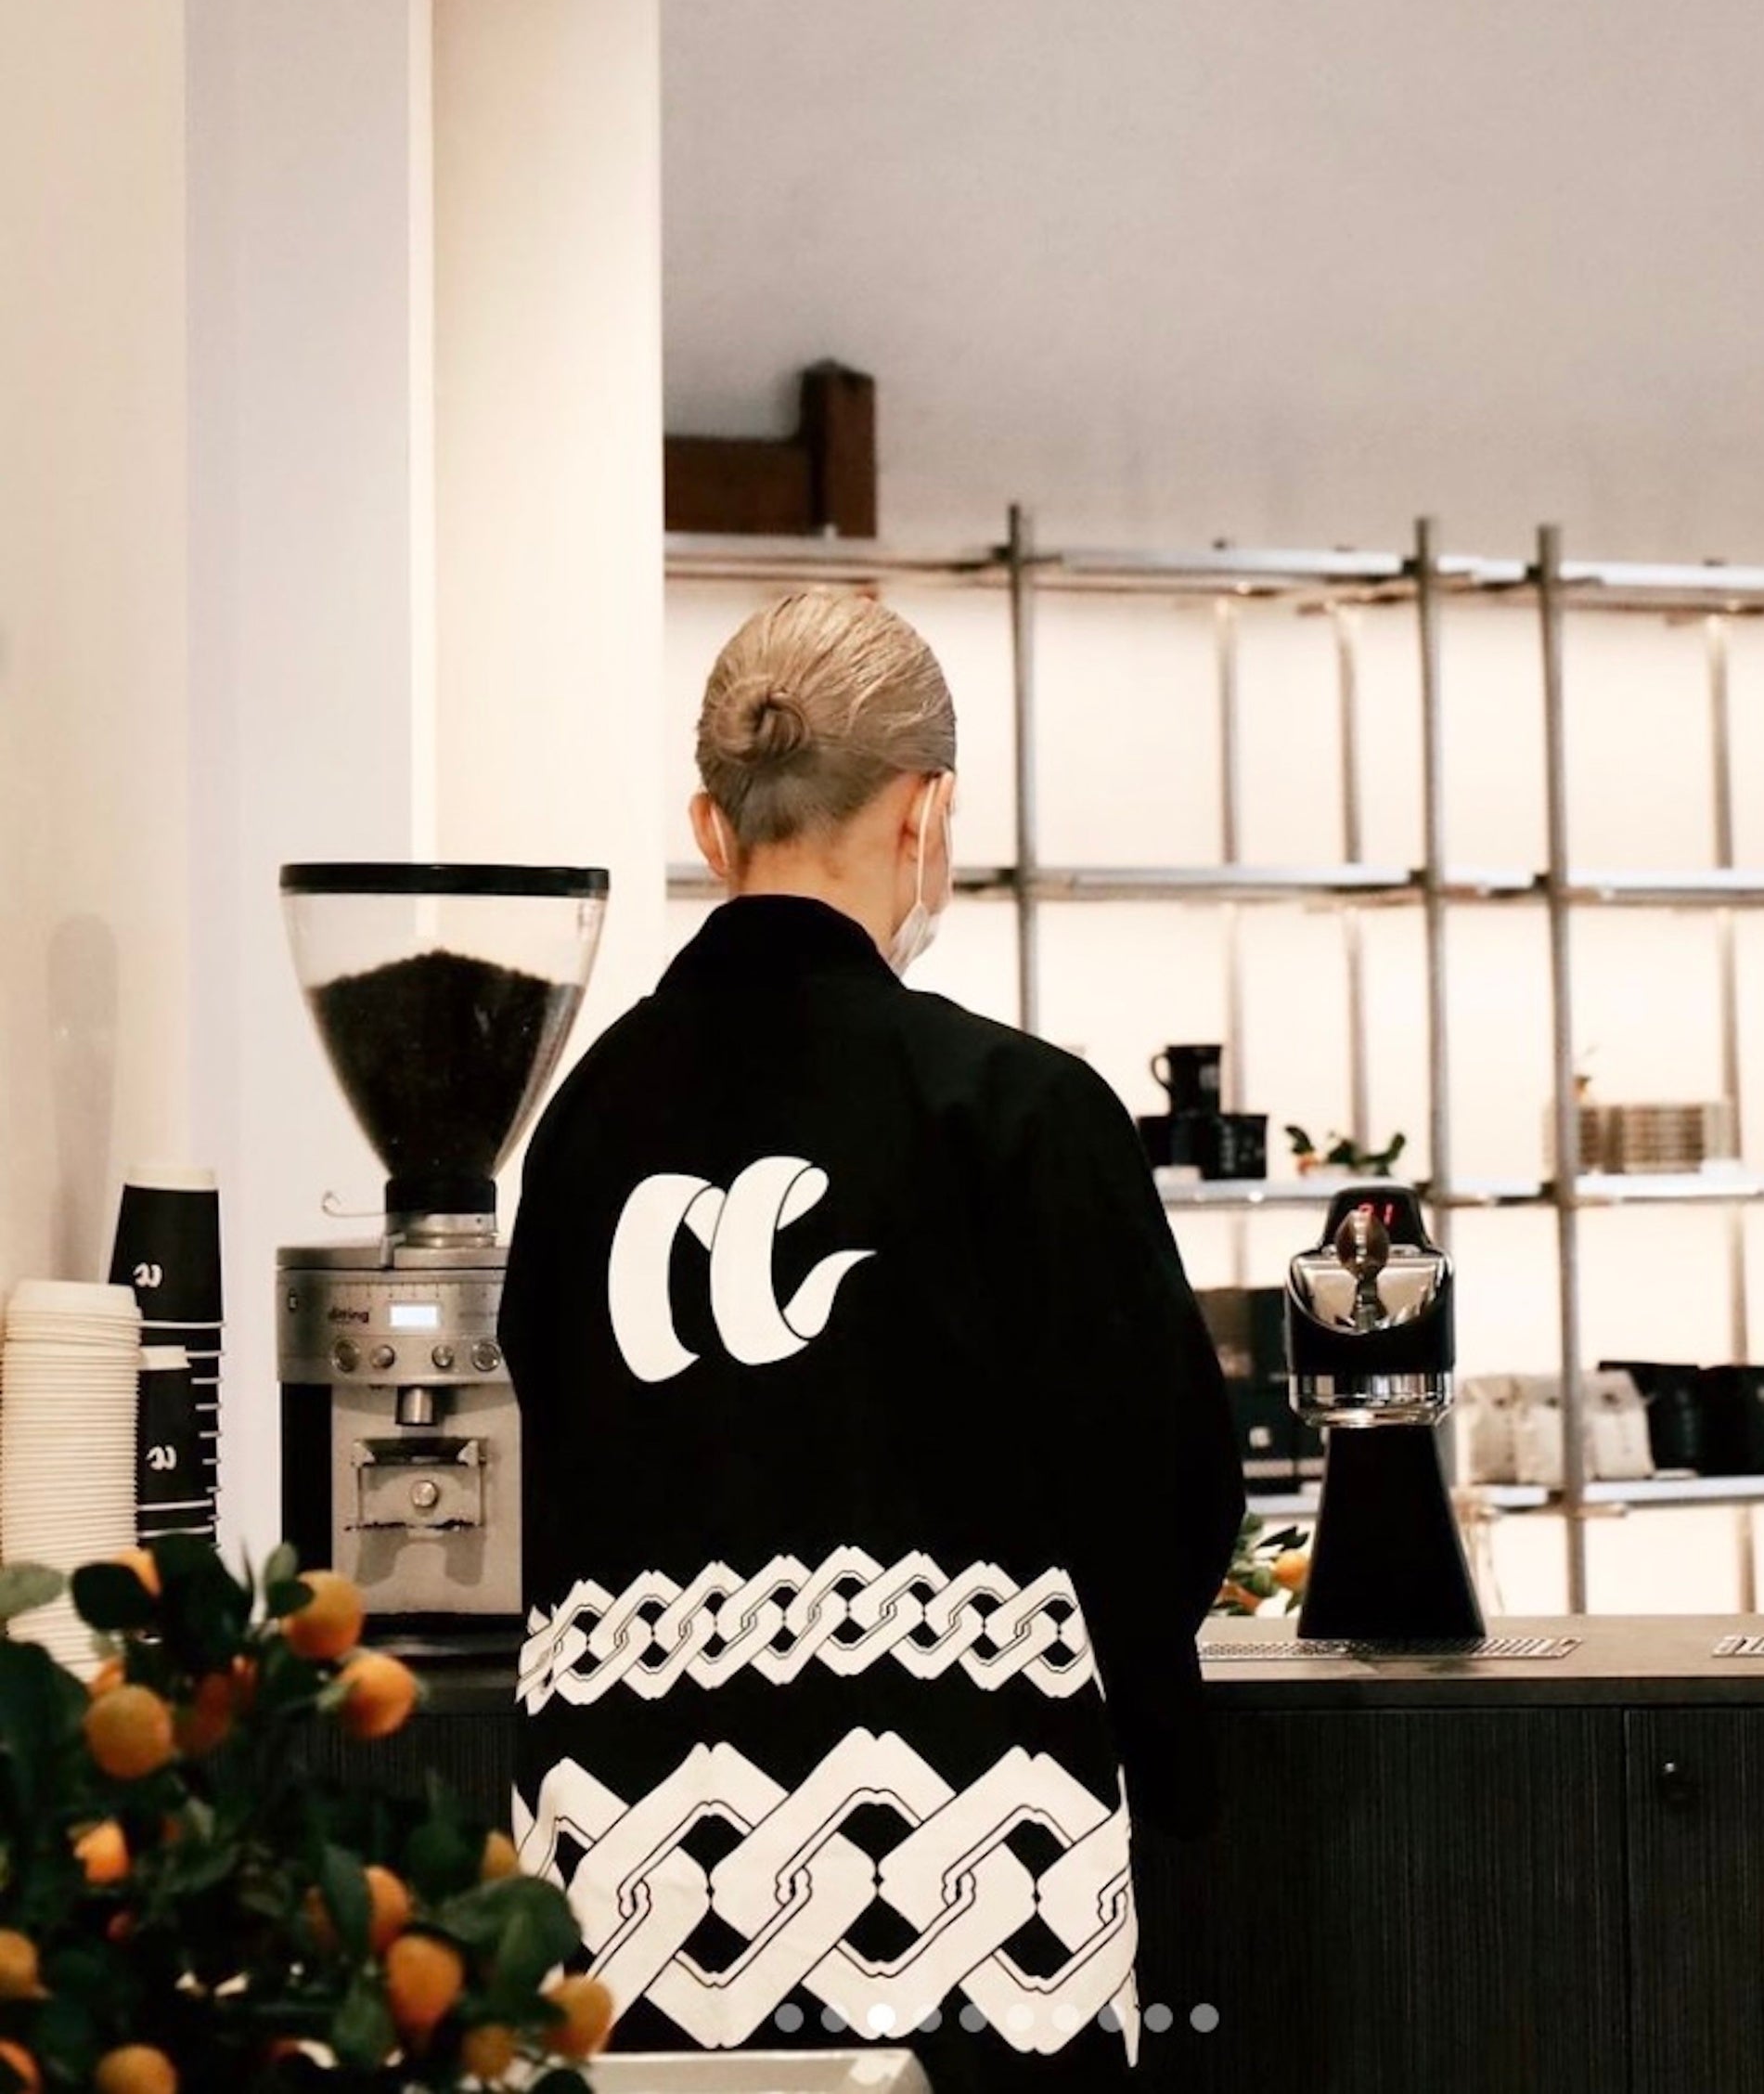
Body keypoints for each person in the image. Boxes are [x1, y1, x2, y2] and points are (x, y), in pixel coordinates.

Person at [500, 587, 1243, 2088]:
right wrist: (1161, 1751)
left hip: (631, 1883)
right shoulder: (1016, 1107)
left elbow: (555, 1447)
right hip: (974, 1877)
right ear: (927, 814)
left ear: (711, 829)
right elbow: (1159, 1487)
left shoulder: (583, 1122)